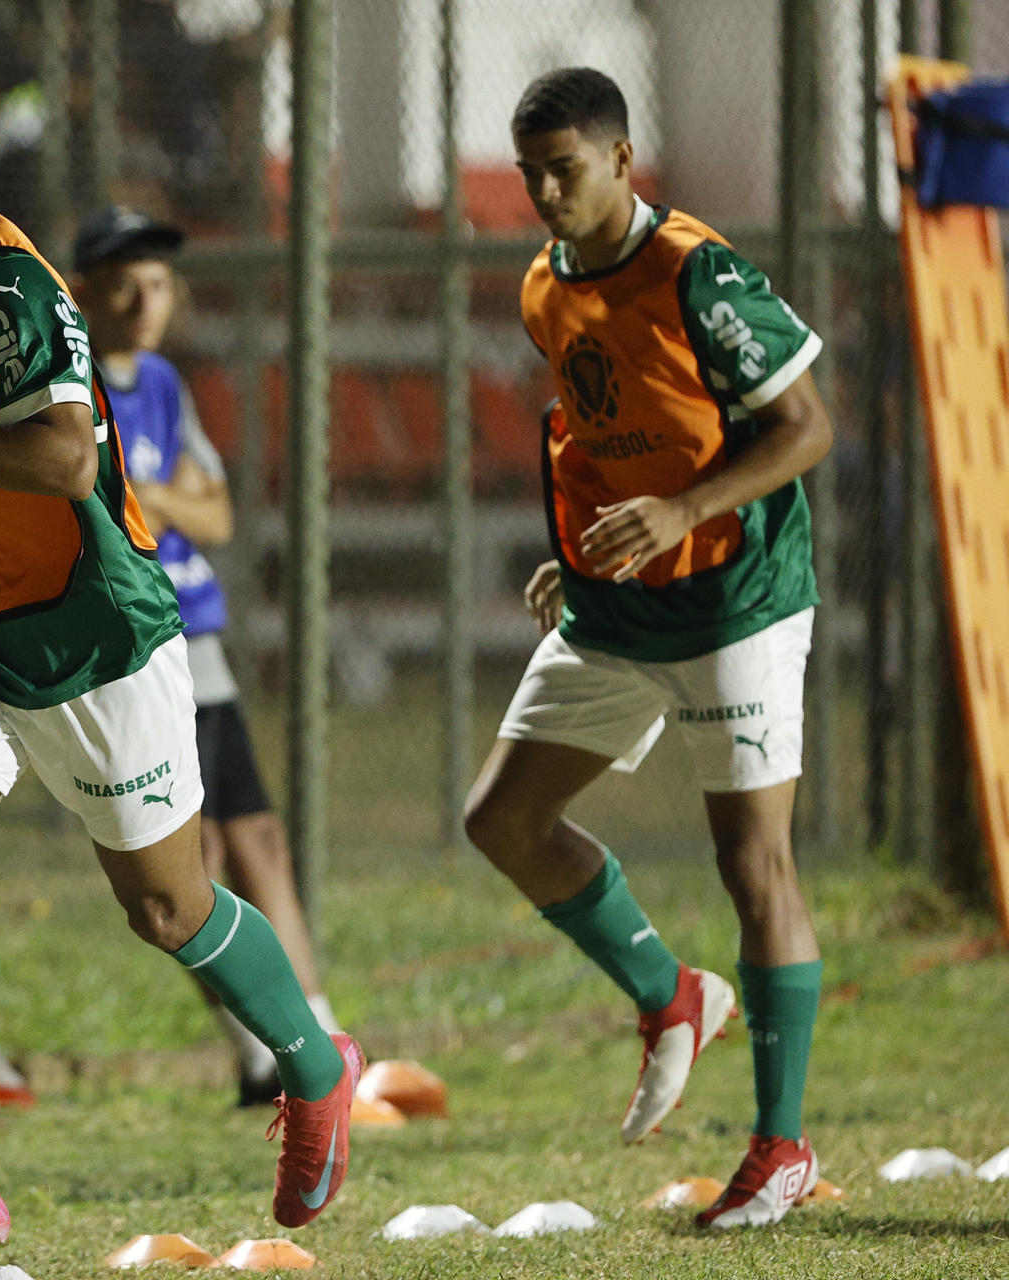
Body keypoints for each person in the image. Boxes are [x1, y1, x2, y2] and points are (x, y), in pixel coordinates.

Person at [0, 62, 364, 1279]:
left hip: (92, 634)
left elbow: (64, 460)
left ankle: (319, 1066)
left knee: (168, 907)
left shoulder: (14, 283)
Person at [463, 67, 834, 1230]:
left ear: (624, 161)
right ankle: (670, 994)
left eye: (562, 169)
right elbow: (593, 421)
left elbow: (806, 426)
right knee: (502, 820)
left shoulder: (698, 273)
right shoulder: (542, 284)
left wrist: (686, 510)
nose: (542, 193)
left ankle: (782, 1147)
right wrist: (575, 553)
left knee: (753, 862)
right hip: (619, 606)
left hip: (737, 598)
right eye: (529, 173)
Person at [69, 205, 346, 1107]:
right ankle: (263, 1050)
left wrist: (148, 491)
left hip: (201, 637)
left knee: (256, 833)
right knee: (190, 862)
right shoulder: (73, 387)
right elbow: (89, 501)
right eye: (122, 279)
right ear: (80, 292)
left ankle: (321, 1030)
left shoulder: (162, 384)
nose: (143, 296)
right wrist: (162, 495)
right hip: (137, 644)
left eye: (155, 280)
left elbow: (216, 515)